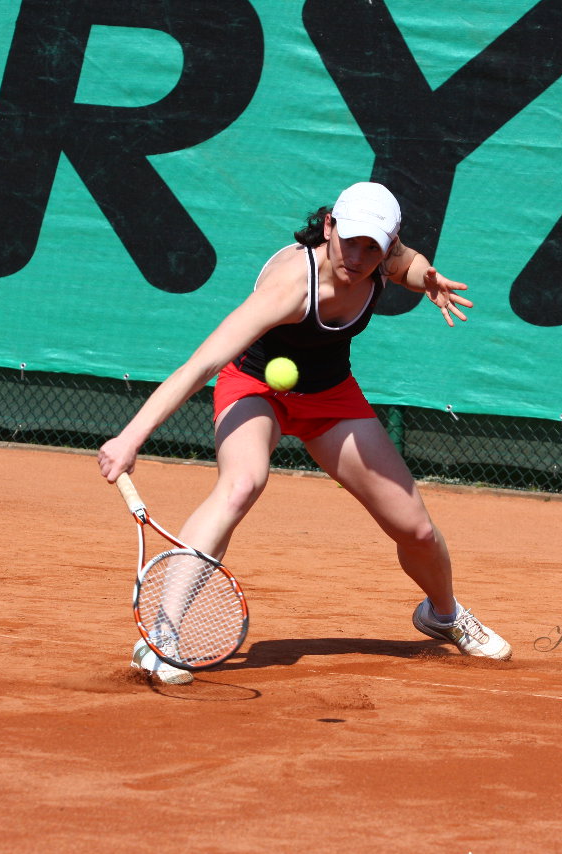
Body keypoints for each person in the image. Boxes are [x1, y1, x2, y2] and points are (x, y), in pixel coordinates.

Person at [98, 182, 512, 684]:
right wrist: (131, 436)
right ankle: (159, 637)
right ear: (330, 226)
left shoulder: (383, 257)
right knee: (241, 484)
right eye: (350, 240)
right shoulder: (292, 285)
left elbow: (406, 262)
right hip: (254, 385)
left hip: (330, 396)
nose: (357, 257)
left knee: (417, 530)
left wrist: (427, 278)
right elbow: (204, 360)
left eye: (372, 247)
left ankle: (443, 616)